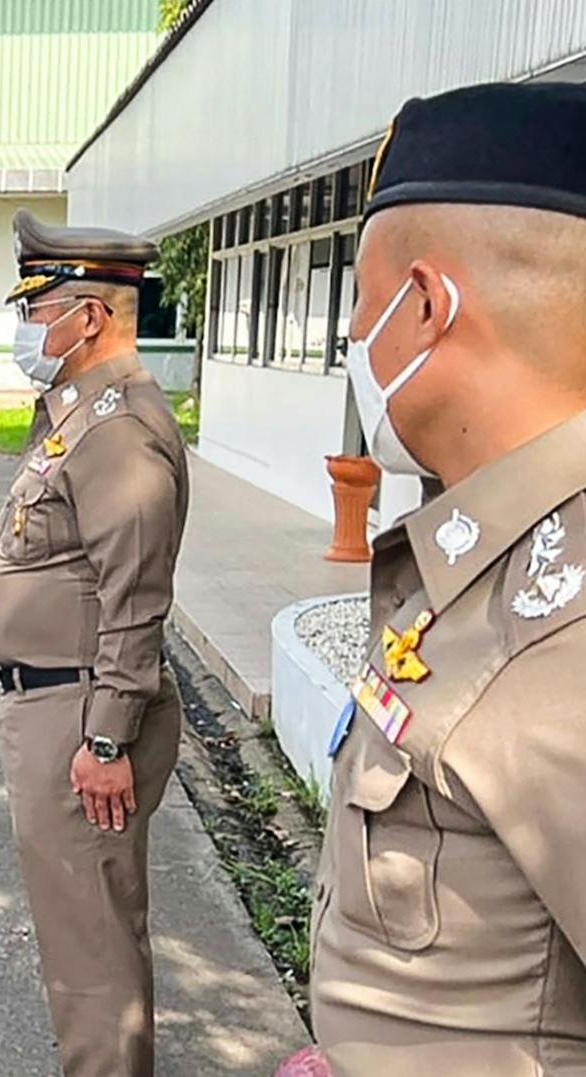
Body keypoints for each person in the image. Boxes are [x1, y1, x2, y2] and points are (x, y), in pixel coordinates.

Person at [304, 81, 586, 1075]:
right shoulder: (481, 551)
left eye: (357, 308)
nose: (349, 343)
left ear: (423, 307)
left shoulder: (563, 631)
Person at [0, 211, 188, 1077]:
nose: (27, 328)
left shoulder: (120, 430)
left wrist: (104, 739)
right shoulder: (80, 412)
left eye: (39, 307)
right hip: (55, 703)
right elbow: (70, 545)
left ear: (89, 317)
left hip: (80, 711)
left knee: (92, 948)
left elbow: (135, 599)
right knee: (79, 934)